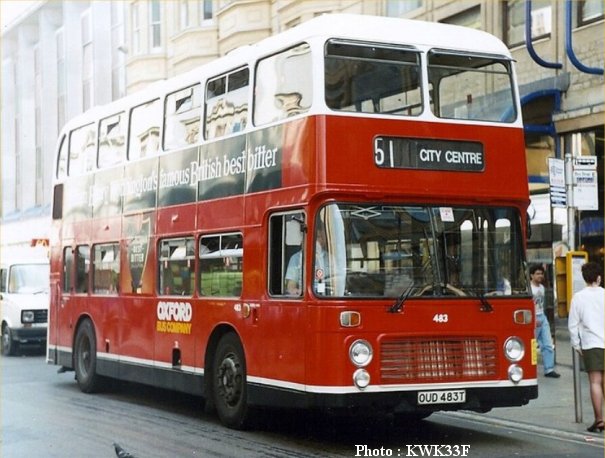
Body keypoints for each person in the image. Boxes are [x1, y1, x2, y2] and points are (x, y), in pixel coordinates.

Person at [568, 261, 604, 433]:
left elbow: (573, 324)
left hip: (591, 343)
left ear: (585, 278)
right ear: (599, 277)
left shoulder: (579, 297)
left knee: (595, 382)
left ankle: (599, 419)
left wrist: (576, 344)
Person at [529, 264, 560, 378]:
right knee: (532, 345)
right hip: (533, 318)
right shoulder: (529, 289)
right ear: (531, 275)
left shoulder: (542, 287)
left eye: (541, 274)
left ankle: (549, 369)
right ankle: (529, 369)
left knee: (548, 344)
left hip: (542, 316)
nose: (540, 276)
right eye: (537, 274)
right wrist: (533, 319)